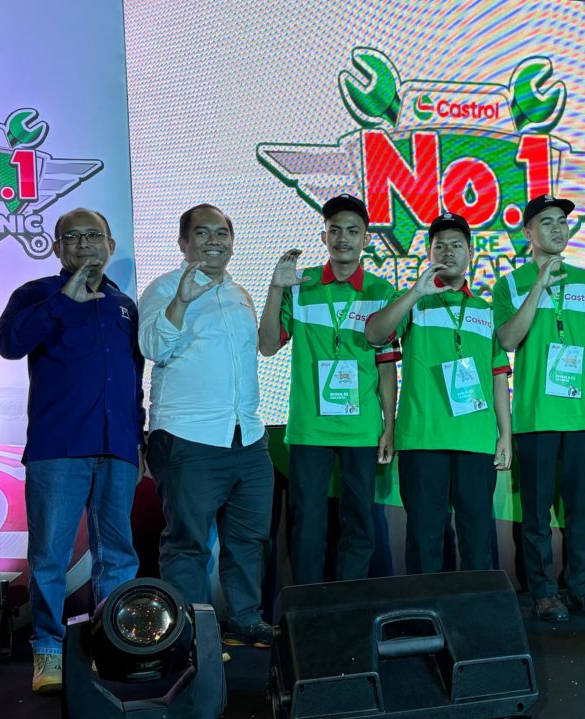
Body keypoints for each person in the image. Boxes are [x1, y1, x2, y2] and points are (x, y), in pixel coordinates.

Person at [0, 207, 142, 694]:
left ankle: (114, 647)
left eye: (93, 235)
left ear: (110, 245)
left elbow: (133, 379)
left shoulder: (124, 305)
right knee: (50, 557)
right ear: (57, 248)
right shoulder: (36, 294)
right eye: (71, 237)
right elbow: (8, 345)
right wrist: (62, 301)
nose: (83, 244)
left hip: (117, 446)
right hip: (58, 448)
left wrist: (137, 438)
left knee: (117, 556)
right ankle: (49, 650)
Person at [138, 204, 275, 647]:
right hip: (187, 437)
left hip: (247, 436)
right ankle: (191, 633)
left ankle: (245, 620)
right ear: (183, 243)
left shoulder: (239, 294)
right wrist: (181, 301)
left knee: (248, 539)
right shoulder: (163, 288)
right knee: (188, 544)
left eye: (222, 233)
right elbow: (152, 347)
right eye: (202, 232)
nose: (214, 240)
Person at [258, 194, 399, 583]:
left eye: (353, 231)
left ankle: (351, 600)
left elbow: (386, 365)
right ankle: (308, 604)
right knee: (307, 523)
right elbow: (267, 346)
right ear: (323, 237)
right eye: (335, 231)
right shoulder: (300, 286)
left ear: (366, 239)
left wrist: (389, 425)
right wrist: (275, 288)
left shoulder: (381, 291)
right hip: (310, 427)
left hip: (362, 428)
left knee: (360, 521)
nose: (343, 239)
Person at [364, 212, 512, 573]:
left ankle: (476, 604)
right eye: (440, 246)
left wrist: (505, 435)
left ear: (471, 253)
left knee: (477, 539)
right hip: (422, 439)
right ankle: (425, 604)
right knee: (424, 538)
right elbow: (374, 334)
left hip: (475, 440)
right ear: (428, 254)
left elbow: (498, 376)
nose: (448, 252)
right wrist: (416, 291)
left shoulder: (485, 311)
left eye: (457, 245)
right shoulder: (413, 303)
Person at [492, 194, 585, 622]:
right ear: (527, 232)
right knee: (537, 512)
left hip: (580, 417)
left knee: (581, 510)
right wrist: (539, 286)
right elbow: (508, 340)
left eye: (562, 221)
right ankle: (543, 592)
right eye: (547, 222)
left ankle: (580, 587)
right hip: (535, 417)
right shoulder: (510, 284)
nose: (558, 228)